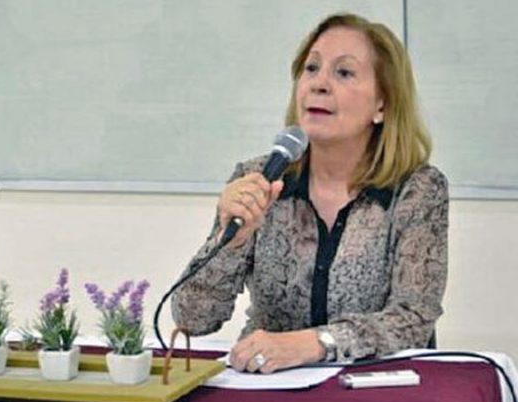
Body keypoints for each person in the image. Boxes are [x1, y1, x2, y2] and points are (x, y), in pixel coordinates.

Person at [171, 13, 448, 374]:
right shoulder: (259, 178)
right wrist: (231, 242)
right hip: (266, 383)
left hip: (370, 387)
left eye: (344, 72)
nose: (319, 84)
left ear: (383, 104)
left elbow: (413, 319)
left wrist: (315, 344)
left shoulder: (417, 190)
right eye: (311, 68)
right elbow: (192, 319)